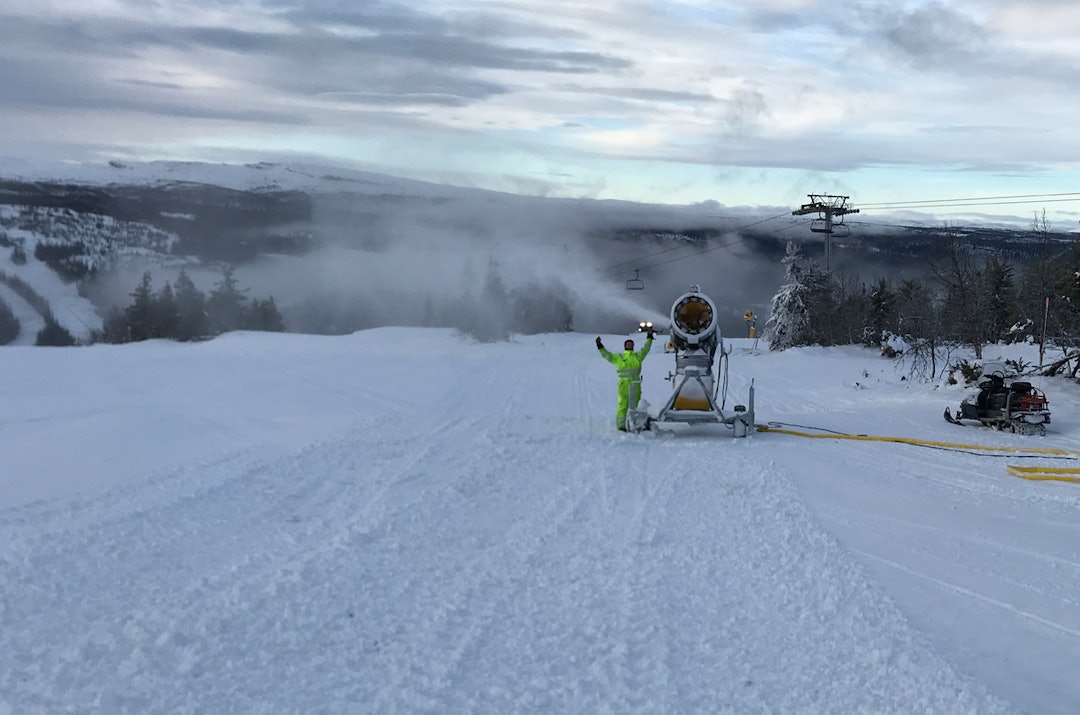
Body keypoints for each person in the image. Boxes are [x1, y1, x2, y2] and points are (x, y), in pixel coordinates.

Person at [596, 327, 654, 431]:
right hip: (623, 385)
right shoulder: (618, 357)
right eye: (628, 344)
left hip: (635, 385)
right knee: (623, 405)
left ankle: (635, 424)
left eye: (631, 345)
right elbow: (607, 355)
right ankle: (621, 426)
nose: (630, 346)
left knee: (635, 406)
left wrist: (649, 337)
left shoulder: (638, 356)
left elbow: (646, 349)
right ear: (624, 346)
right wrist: (600, 346)